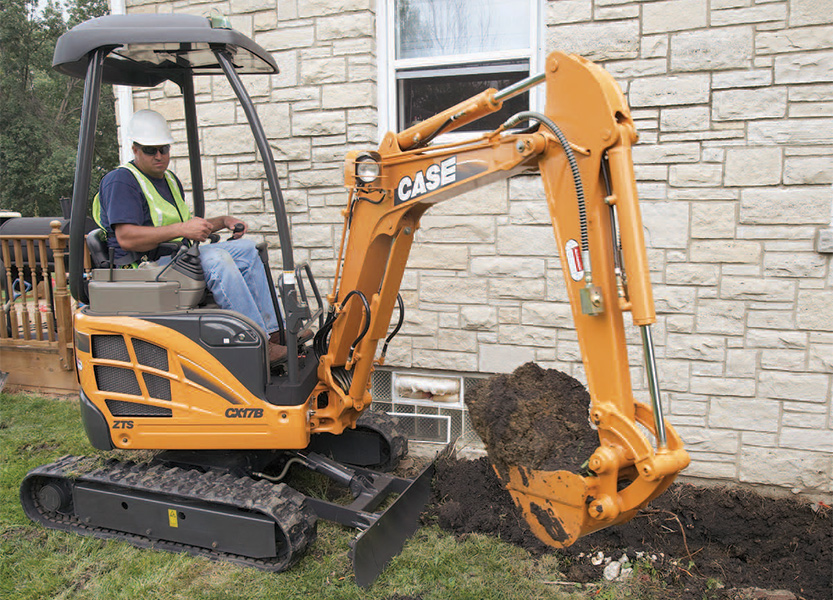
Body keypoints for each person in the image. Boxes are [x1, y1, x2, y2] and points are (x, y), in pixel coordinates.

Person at [94, 109, 286, 364]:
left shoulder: (168, 180)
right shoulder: (121, 181)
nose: (160, 156)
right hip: (143, 268)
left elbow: (185, 225)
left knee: (247, 250)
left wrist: (223, 221)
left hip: (176, 259)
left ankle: (274, 334)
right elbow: (127, 238)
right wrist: (182, 230)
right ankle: (253, 341)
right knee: (217, 259)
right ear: (135, 149)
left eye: (164, 148)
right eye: (151, 150)